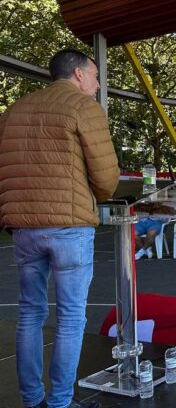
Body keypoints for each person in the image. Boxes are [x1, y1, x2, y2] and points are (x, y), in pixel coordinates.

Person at [0, 49, 119, 408]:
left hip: (23, 227)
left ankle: (32, 400)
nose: (98, 85)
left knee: (30, 314)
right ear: (79, 74)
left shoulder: (14, 111)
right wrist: (100, 194)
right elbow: (105, 176)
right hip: (69, 225)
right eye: (96, 76)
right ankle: (61, 403)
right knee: (70, 317)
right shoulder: (83, 108)